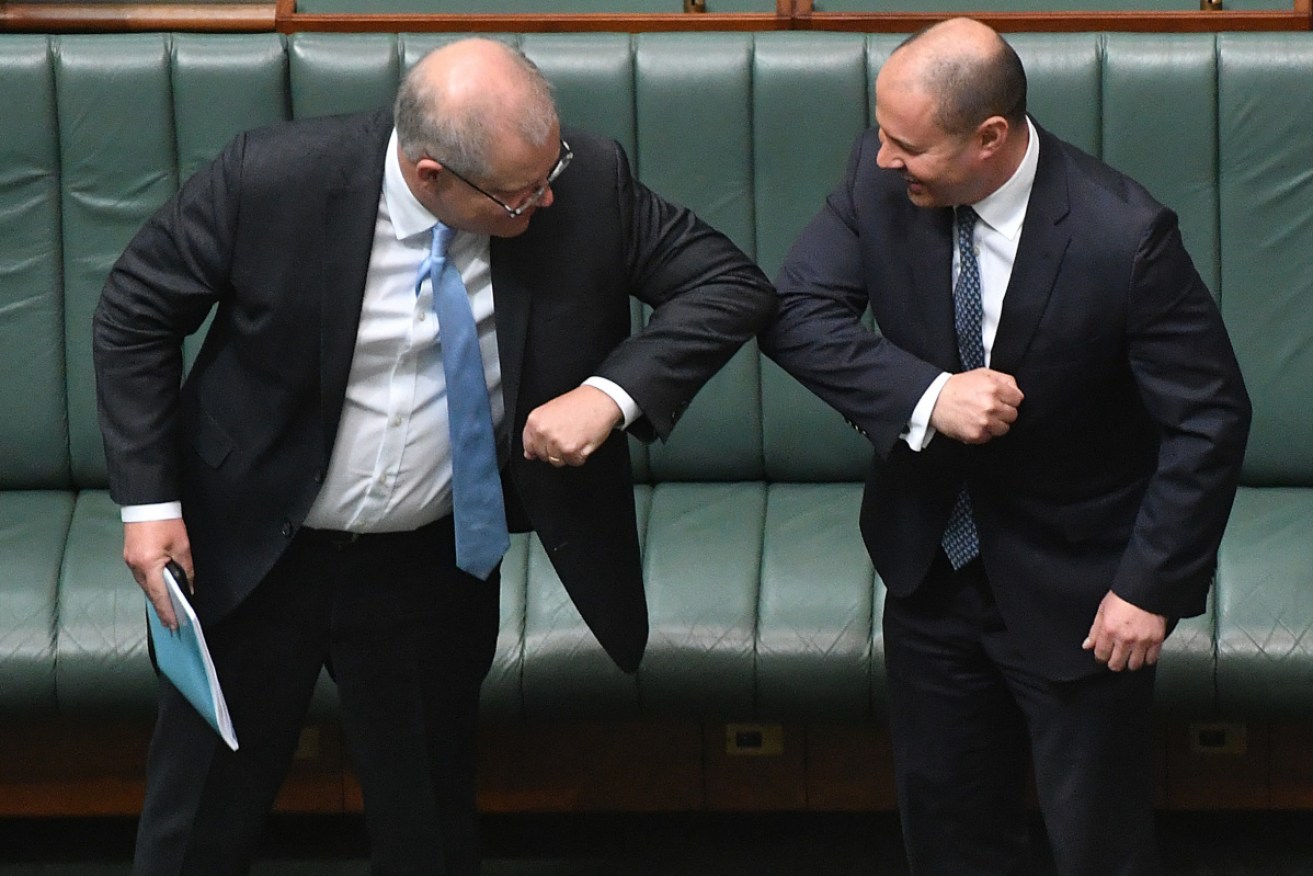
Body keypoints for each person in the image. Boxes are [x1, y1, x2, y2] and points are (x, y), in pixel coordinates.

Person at [93, 38, 775, 875]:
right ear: (429, 176)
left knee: (429, 833)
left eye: (549, 168)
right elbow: (133, 312)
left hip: (426, 564)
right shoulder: (272, 177)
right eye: (519, 196)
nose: (547, 200)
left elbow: (728, 285)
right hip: (249, 546)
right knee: (196, 823)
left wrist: (609, 394)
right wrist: (149, 503)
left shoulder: (585, 181)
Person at [760, 18, 1250, 876]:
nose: (882, 159)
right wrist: (928, 396)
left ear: (989, 138)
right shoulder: (878, 181)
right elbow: (796, 315)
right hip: (928, 574)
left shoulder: (1122, 235)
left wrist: (1148, 587)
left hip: (1082, 594)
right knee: (947, 835)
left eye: (905, 144)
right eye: (881, 135)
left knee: (1095, 844)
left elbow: (1208, 417)